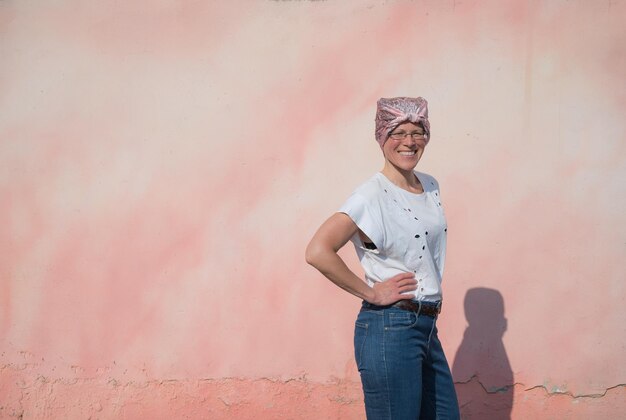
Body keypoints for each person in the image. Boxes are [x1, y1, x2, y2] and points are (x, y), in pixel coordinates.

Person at [305, 97, 460, 419]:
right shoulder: (370, 195)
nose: (409, 142)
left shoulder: (430, 186)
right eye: (399, 132)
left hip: (428, 325)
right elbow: (318, 251)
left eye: (418, 132)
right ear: (382, 137)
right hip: (391, 327)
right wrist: (372, 293)